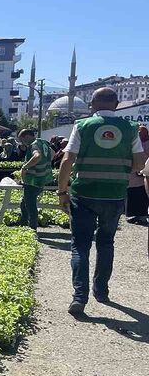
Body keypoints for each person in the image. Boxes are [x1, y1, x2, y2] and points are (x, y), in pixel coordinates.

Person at [57, 87, 146, 315]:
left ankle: (79, 297)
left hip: (84, 194)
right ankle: (101, 290)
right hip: (114, 195)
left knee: (80, 246)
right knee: (106, 243)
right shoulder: (130, 128)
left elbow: (67, 160)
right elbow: (138, 165)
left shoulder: (83, 125)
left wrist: (62, 192)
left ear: (93, 105)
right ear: (116, 105)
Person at [17, 129, 54, 230]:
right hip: (42, 178)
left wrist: (25, 167)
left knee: (30, 204)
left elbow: (37, 156)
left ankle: (32, 227)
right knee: (24, 202)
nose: (22, 143)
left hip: (33, 179)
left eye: (22, 140)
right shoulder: (43, 143)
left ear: (27, 136)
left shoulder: (34, 144)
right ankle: (23, 222)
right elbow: (53, 153)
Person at [126, 125, 149, 224]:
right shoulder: (135, 143)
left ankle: (142, 216)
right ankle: (133, 215)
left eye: (141, 132)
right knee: (132, 195)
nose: (139, 134)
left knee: (142, 196)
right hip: (133, 176)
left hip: (143, 174)